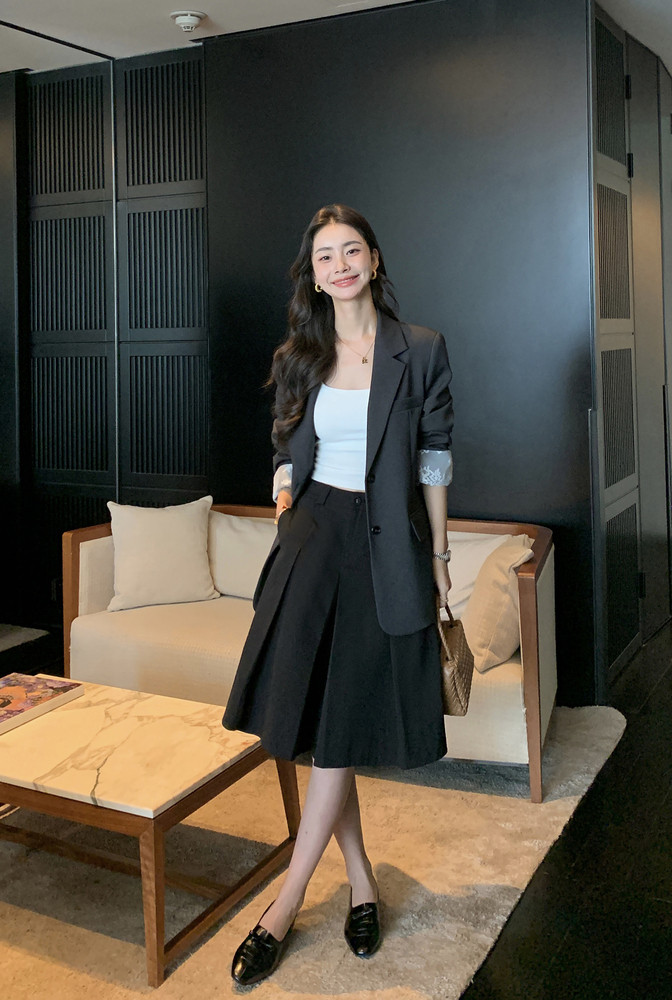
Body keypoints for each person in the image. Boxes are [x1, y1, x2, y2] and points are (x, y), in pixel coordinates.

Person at [222, 203, 454, 986]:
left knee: (342, 720)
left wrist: (440, 555)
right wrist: (285, 497)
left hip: (384, 546)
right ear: (314, 275)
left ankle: (283, 905)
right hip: (313, 538)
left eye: (352, 250)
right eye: (326, 256)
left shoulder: (419, 349)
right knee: (327, 723)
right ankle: (361, 882)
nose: (341, 265)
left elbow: (434, 457)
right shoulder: (301, 354)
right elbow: (287, 446)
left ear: (374, 261)